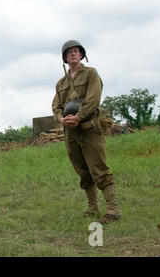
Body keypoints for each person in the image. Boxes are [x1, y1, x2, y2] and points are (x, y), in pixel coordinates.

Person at [52, 40, 121, 224]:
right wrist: (61, 119)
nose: (73, 54)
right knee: (83, 171)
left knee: (99, 168)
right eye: (69, 53)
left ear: (81, 55)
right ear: (64, 58)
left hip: (89, 128)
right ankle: (93, 207)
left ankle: (113, 210)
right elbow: (56, 105)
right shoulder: (61, 83)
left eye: (76, 51)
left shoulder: (91, 73)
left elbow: (93, 98)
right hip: (70, 132)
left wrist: (79, 116)